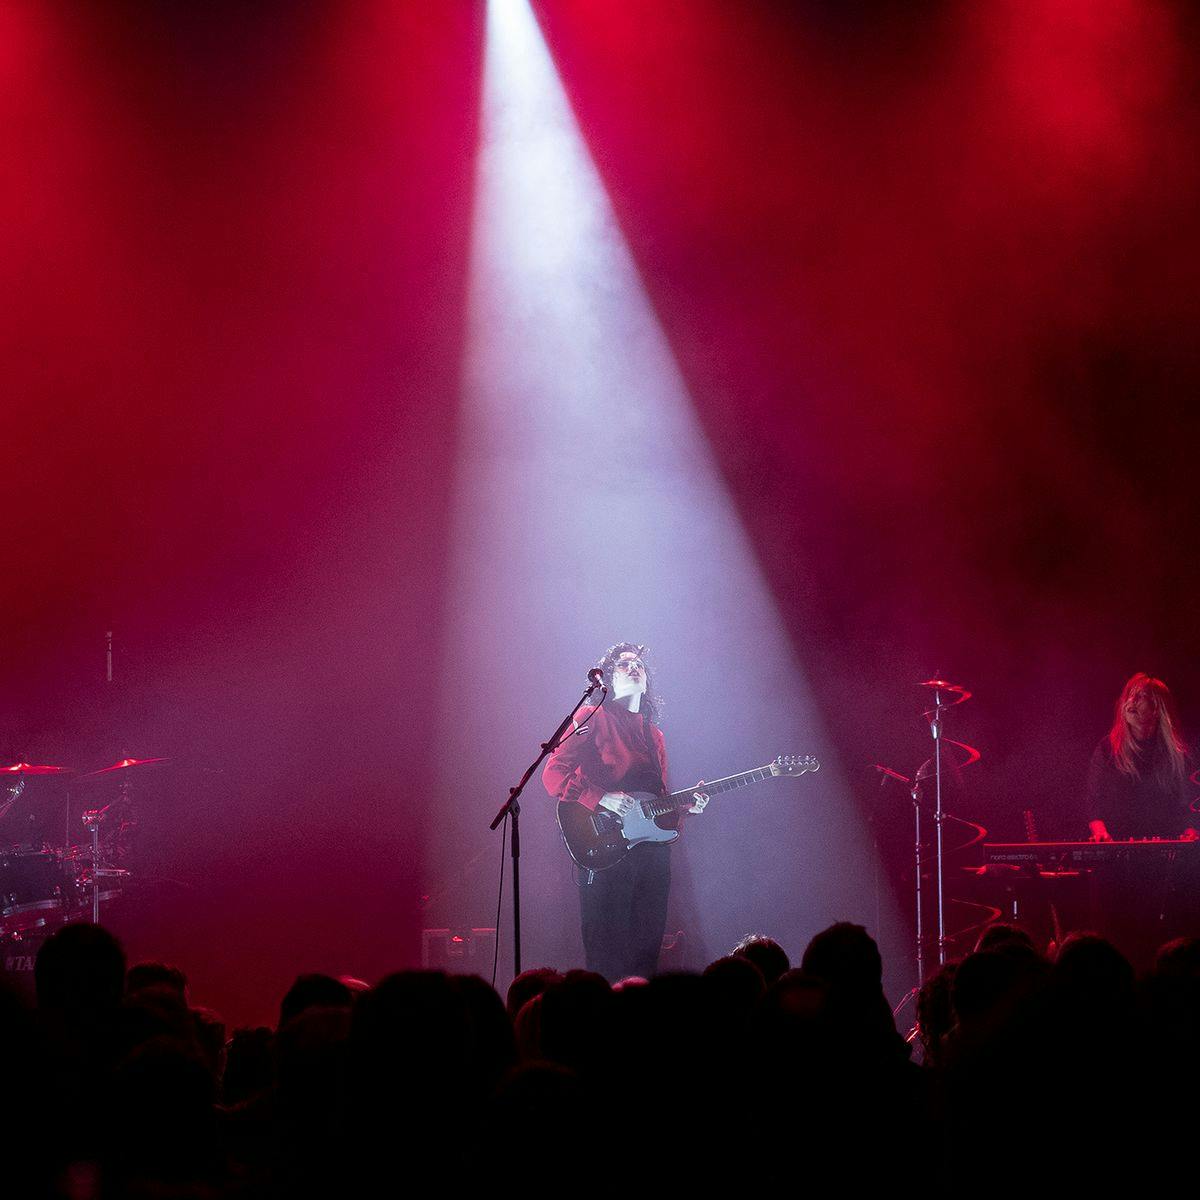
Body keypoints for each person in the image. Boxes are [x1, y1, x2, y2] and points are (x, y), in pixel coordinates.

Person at [541, 643, 707, 981]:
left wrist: (687, 808)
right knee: (606, 950)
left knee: (646, 952)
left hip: (651, 855)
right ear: (610, 681)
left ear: (646, 683)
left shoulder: (654, 735)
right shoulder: (591, 716)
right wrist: (600, 798)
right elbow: (553, 773)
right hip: (604, 844)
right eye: (623, 665)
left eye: (639, 666)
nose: (633, 668)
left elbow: (656, 802)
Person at [1086, 672, 1196, 841]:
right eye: (1129, 696)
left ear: (1157, 709)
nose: (1131, 701)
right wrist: (1100, 832)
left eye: (1140, 696)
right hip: (1117, 846)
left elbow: (1190, 802)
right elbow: (1094, 801)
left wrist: (1191, 830)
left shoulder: (1176, 754)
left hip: (1167, 850)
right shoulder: (1108, 749)